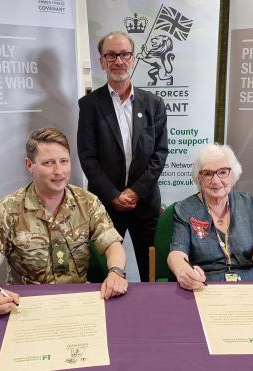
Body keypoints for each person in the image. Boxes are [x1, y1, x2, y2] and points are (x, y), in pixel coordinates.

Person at [0, 127, 129, 315]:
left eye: (64, 161)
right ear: (30, 165)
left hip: (76, 304)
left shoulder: (87, 202)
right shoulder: (8, 209)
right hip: (25, 305)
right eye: (48, 163)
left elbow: (112, 243)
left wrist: (116, 272)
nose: (59, 171)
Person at [77, 31, 168, 282]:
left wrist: (136, 192)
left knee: (151, 271)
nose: (119, 60)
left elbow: (160, 154)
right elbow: (87, 157)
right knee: (105, 273)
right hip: (105, 206)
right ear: (102, 61)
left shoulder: (154, 104)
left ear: (133, 59)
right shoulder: (89, 106)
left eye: (125, 54)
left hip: (145, 203)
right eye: (112, 55)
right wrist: (114, 195)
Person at [167, 144, 253, 291]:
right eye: (208, 173)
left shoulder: (249, 203)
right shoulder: (185, 209)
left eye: (223, 172)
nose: (215, 180)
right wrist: (182, 271)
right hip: (206, 285)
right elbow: (177, 252)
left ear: (234, 175)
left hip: (250, 283)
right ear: (199, 178)